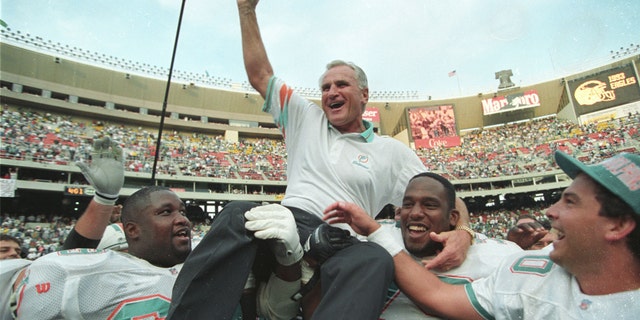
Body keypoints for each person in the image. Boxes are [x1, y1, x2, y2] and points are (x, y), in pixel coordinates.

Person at [168, 1, 472, 319]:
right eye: (325, 87)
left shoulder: (391, 151)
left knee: (375, 260)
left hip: (339, 239)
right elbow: (261, 75)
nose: (330, 92)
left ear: (364, 94)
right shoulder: (305, 118)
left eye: (341, 84)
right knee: (234, 215)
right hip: (288, 218)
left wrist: (463, 232)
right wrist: (246, 9)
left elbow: (446, 196)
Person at [324, 151, 640, 319]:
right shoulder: (531, 273)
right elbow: (439, 297)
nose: (551, 212)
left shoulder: (496, 254)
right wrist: (376, 232)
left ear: (617, 225)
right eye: (407, 204)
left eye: (570, 202)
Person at [11, 185, 193, 319]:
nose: (183, 220)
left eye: (183, 212)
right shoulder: (76, 273)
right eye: (166, 212)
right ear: (132, 230)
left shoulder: (201, 261)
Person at [373, 172, 522, 319]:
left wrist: (464, 232)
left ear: (453, 217)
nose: (415, 213)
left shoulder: (498, 256)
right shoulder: (376, 236)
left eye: (429, 206)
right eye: (407, 205)